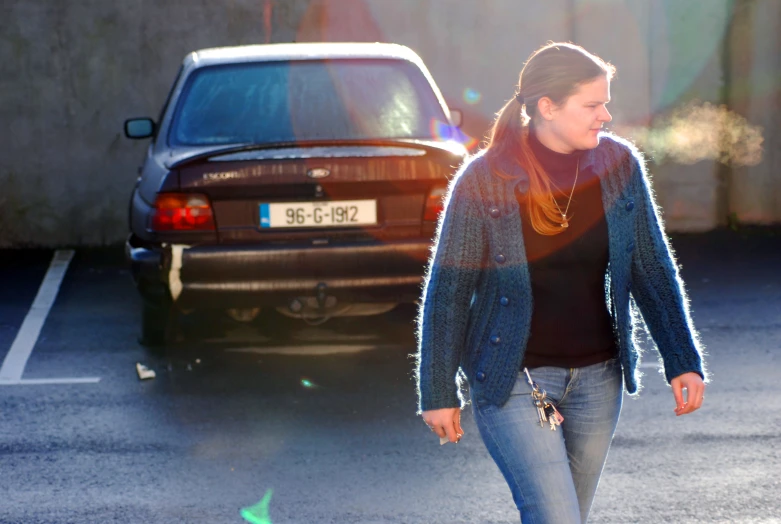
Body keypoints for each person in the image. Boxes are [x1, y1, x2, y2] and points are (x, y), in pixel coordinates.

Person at [414, 42, 708, 523]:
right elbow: (448, 292)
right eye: (593, 105)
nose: (606, 116)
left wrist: (682, 359)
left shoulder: (619, 167)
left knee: (569, 515)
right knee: (556, 517)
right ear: (547, 107)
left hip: (599, 379)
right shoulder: (484, 180)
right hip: (513, 378)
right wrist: (438, 389)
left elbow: (651, 269)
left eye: (606, 103)